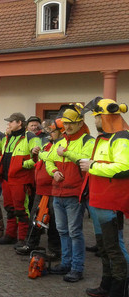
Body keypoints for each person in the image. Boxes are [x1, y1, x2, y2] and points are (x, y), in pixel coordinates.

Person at [80, 98, 129, 296]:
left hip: (111, 202)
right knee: (105, 246)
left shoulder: (121, 138)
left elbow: (125, 167)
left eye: (97, 117)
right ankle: (107, 284)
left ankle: (119, 289)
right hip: (100, 200)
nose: (95, 121)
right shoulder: (106, 138)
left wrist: (91, 166)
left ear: (105, 116)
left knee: (114, 247)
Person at [45, 104, 94, 283]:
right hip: (58, 193)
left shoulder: (88, 141)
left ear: (81, 123)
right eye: (65, 123)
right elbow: (49, 160)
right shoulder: (60, 141)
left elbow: (84, 160)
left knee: (74, 232)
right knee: (62, 231)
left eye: (71, 123)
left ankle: (77, 268)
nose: (67, 127)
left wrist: (66, 152)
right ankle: (66, 264)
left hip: (74, 194)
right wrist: (53, 172)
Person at [15, 119, 62, 257]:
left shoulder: (61, 146)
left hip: (52, 189)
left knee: (53, 221)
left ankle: (54, 250)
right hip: (42, 189)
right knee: (36, 217)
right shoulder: (49, 145)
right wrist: (37, 153)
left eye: (52, 130)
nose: (49, 133)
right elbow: (41, 161)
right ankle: (31, 244)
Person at [0, 112, 41, 246]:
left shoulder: (31, 138)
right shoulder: (8, 138)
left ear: (19, 123)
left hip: (21, 180)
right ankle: (10, 235)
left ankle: (23, 238)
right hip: (7, 179)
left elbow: (38, 160)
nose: (8, 124)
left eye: (11, 122)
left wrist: (21, 165)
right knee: (10, 208)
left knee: (21, 210)